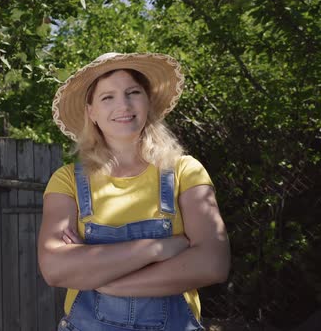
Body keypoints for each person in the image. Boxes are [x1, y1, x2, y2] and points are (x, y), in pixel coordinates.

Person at [38, 53, 231, 331]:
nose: (124, 105)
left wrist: (103, 279)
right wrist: (162, 247)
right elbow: (55, 268)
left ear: (148, 101)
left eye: (133, 92)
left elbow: (212, 263)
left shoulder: (185, 172)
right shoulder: (67, 180)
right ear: (90, 111)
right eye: (107, 97)